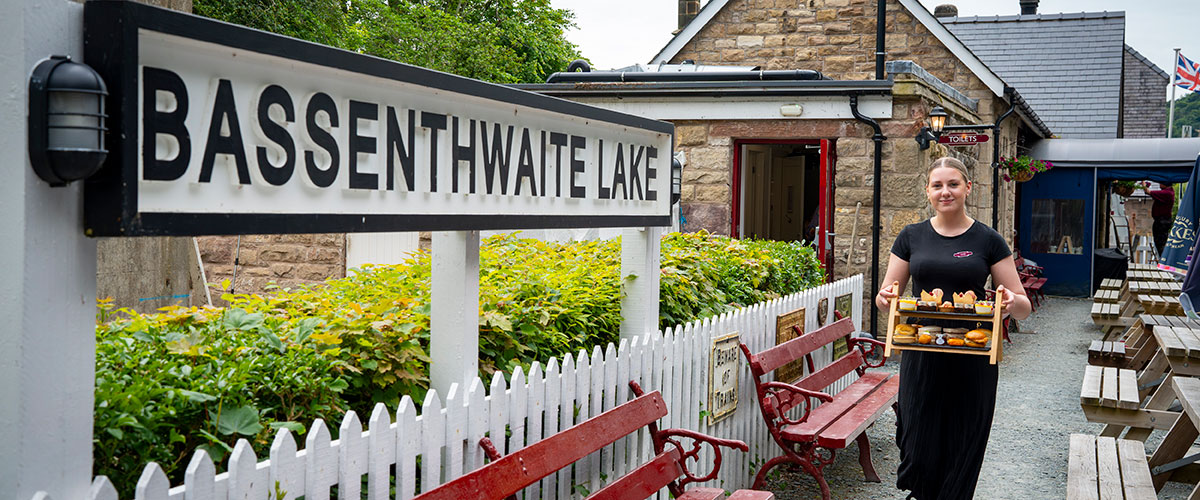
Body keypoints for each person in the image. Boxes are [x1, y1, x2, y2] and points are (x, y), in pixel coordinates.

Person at [875, 157, 1033, 499]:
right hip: (922, 354)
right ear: (928, 192)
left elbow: (1023, 307)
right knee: (916, 441)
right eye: (937, 185)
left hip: (972, 358)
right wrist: (886, 298)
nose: (945, 192)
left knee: (963, 443)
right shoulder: (910, 236)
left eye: (953, 184)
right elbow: (886, 296)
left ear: (967, 188)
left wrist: (1008, 304)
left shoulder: (988, 240)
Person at [1149, 183, 1175, 256]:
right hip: (1162, 220)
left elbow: (1149, 192)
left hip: (1162, 221)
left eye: (1161, 182)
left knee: (1161, 242)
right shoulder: (1167, 192)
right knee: (1160, 241)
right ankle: (1163, 259)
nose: (1159, 184)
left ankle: (1164, 259)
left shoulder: (1167, 193)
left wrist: (1144, 184)